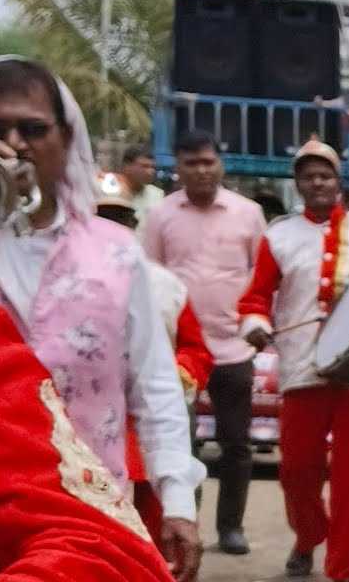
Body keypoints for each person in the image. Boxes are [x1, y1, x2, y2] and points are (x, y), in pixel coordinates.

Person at [0, 56, 205, 578]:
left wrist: (178, 501)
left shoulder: (116, 252)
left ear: (66, 139)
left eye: (32, 129)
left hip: (87, 522)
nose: (15, 144)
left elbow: (154, 382)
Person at [235, 139, 349, 581]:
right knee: (295, 472)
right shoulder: (279, 235)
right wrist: (254, 324)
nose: (317, 182)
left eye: (325, 175)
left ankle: (346, 570)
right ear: (298, 184)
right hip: (300, 368)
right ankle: (309, 534)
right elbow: (256, 297)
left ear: (338, 182)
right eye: (308, 176)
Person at [0, 282, 183, 582]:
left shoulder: (143, 277)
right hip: (41, 445)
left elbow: (158, 378)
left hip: (78, 455)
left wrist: (178, 494)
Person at [142, 127, 267, 555]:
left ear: (221, 164)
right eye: (191, 163)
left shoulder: (248, 213)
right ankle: (183, 525)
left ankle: (230, 527)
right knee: (181, 443)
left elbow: (261, 276)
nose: (201, 171)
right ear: (177, 168)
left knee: (237, 443)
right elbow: (151, 278)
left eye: (208, 162)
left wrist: (254, 322)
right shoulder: (160, 215)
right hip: (178, 352)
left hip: (233, 346)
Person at [95, 171, 214, 543]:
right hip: (88, 440)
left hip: (151, 435)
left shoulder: (165, 285)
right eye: (101, 218)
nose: (110, 228)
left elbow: (197, 351)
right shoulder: (55, 283)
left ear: (132, 223)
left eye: (119, 218)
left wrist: (178, 372)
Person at [119, 144, 165, 232]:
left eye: (152, 167)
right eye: (145, 166)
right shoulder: (112, 194)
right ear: (127, 166)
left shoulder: (157, 195)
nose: (150, 172)